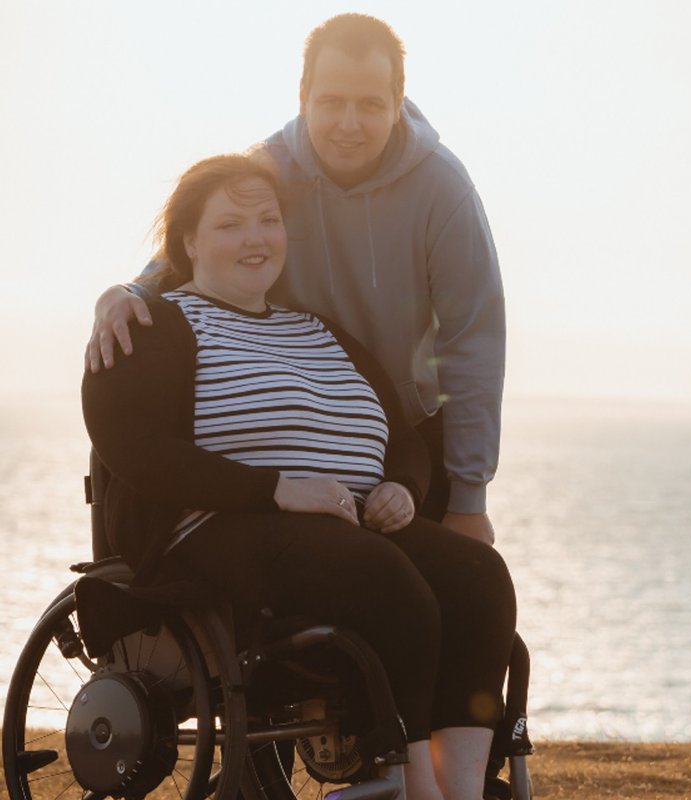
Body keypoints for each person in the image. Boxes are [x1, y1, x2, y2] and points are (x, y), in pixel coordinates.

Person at [82, 150, 517, 800]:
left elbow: (400, 435)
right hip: (214, 528)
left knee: (478, 576)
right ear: (189, 241)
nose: (254, 238)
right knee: (382, 579)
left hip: (345, 525)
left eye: (268, 220)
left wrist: (402, 486)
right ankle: (415, 786)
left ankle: (465, 786)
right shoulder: (156, 325)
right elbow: (134, 448)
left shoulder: (317, 330)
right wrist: (277, 491)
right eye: (230, 224)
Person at [86, 13, 505, 546]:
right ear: (303, 95)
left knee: (467, 578)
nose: (349, 124)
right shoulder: (269, 169)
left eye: (370, 104)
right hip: (292, 432)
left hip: (406, 442)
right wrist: (128, 292)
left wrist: (469, 499)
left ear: (398, 101)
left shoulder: (444, 189)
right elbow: (196, 247)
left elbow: (473, 341)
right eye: (331, 101)